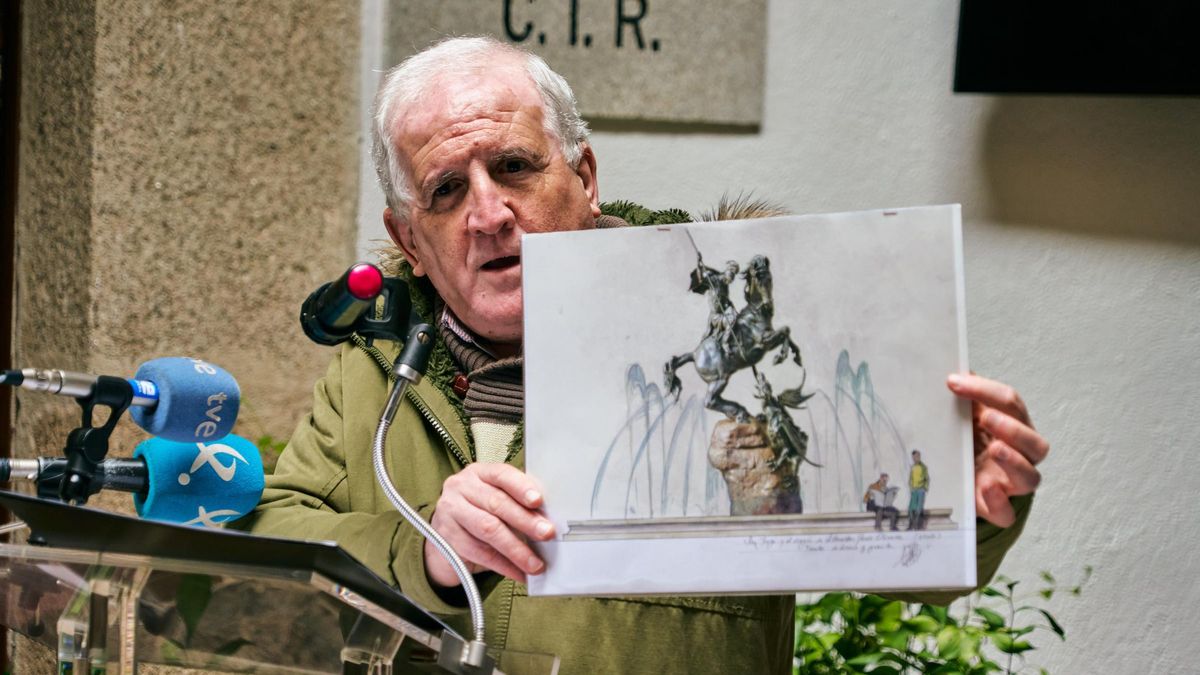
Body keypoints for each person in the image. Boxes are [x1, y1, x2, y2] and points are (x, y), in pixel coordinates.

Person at [236, 36, 1050, 674]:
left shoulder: (728, 325)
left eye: (514, 166)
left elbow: (895, 542)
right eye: (446, 190)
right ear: (409, 239)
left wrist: (963, 502)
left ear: (584, 176)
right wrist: (424, 553)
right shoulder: (377, 369)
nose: (489, 212)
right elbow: (271, 541)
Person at [908, 449, 930, 530]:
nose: (916, 458)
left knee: (918, 509)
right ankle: (911, 526)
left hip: (921, 490)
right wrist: (911, 488)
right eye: (914, 457)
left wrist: (925, 488)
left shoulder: (923, 467)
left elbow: (927, 479)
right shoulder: (912, 467)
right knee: (911, 509)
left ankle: (917, 526)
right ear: (912, 457)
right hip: (914, 490)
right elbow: (910, 479)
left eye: (918, 456)